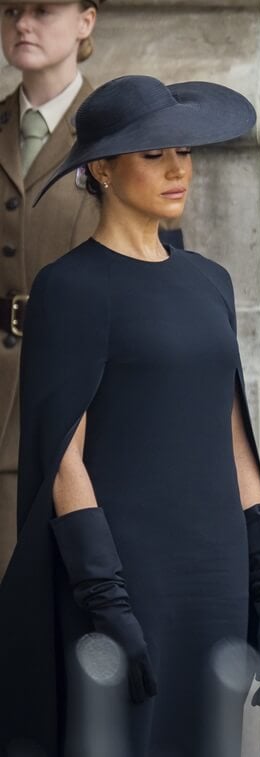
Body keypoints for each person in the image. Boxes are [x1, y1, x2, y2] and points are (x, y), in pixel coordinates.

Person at [0, 74, 260, 756]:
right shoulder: (69, 288)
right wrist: (107, 598)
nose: (177, 169)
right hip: (129, 572)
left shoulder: (208, 280)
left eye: (183, 152)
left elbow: (235, 438)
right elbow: (61, 458)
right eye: (153, 154)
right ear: (101, 168)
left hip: (215, 569)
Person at [0, 0, 104, 579]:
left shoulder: (115, 132)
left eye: (42, 9)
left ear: (86, 21)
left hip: (80, 386)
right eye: (11, 9)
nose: (22, 24)